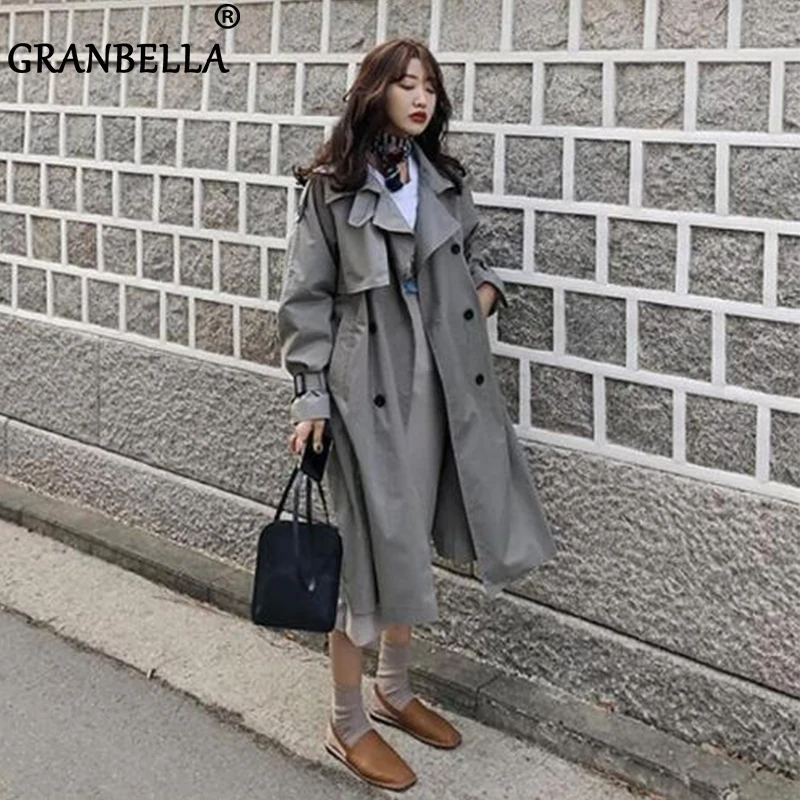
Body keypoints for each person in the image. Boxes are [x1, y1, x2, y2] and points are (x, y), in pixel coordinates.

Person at [277, 37, 557, 792]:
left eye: (430, 85)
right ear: (375, 91)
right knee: (364, 555)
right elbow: (305, 298)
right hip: (363, 392)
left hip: (441, 386)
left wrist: (479, 297)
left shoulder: (442, 182)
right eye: (406, 83)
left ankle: (394, 689)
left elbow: (479, 259)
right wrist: (310, 396)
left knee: (411, 539)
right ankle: (347, 722)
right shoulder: (332, 188)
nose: (421, 96)